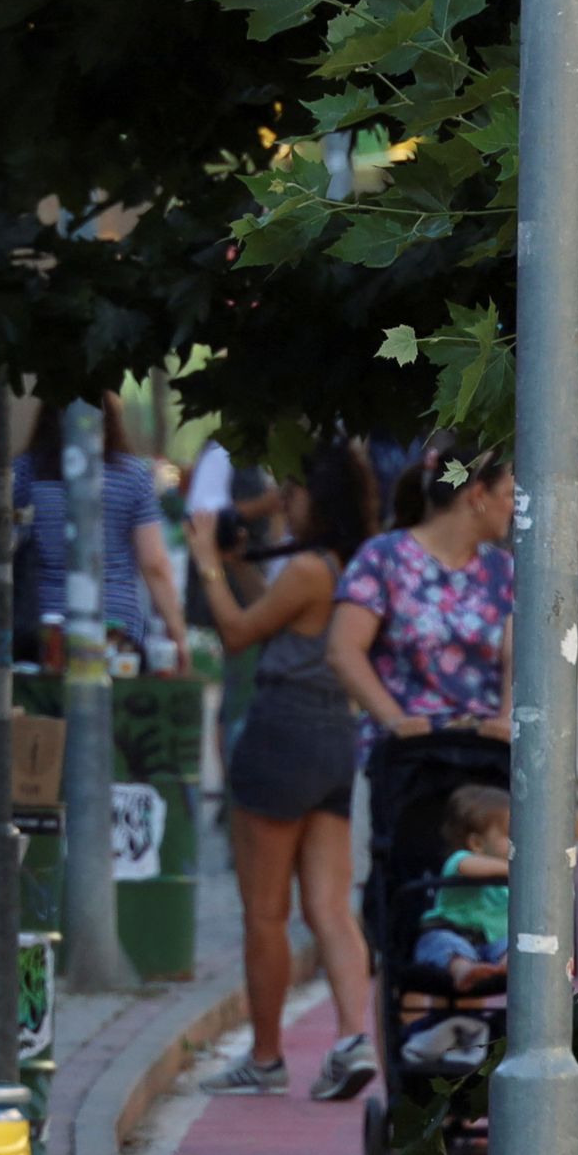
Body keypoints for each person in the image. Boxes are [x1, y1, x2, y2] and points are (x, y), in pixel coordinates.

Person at [184, 441, 377, 1101]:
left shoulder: (309, 566)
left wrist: (208, 564)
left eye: (290, 494)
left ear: (316, 500)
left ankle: (265, 1058)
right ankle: (354, 1037)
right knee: (330, 905)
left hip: (280, 732)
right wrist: (238, 570)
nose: (279, 506)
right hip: (333, 735)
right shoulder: (353, 562)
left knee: (265, 913)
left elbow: (239, 634)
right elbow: (280, 617)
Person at [326, 447, 517, 757]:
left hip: (481, 755)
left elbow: (517, 656)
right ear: (478, 494)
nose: (513, 507)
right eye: (509, 494)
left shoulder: (504, 570)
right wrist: (396, 719)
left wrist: (506, 719)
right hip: (401, 759)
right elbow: (343, 650)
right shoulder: (382, 558)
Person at [14, 393, 189, 654]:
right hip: (117, 628)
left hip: (44, 628)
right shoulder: (133, 476)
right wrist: (177, 633)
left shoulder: (27, 472)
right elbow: (155, 565)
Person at [413, 783, 513, 996]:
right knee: (446, 945)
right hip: (452, 932)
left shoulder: (506, 886)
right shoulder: (460, 860)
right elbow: (467, 865)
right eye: (510, 835)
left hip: (491, 945)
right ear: (476, 843)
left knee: (513, 944)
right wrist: (514, 869)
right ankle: (464, 972)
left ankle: (509, 967)